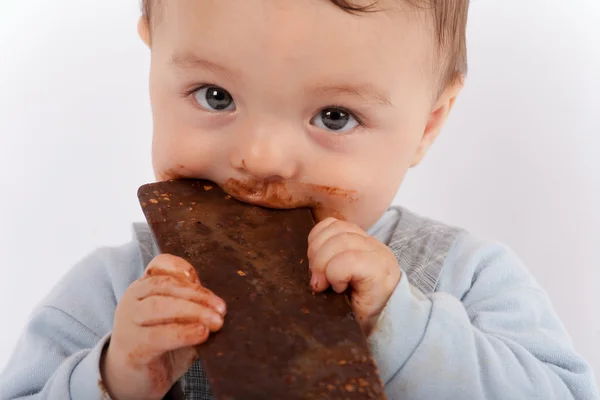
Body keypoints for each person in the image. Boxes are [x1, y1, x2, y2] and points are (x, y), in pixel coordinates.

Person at [1, 1, 597, 399]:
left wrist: (404, 326)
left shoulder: (462, 280)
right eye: (214, 95)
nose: (260, 158)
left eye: (334, 116)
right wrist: (115, 378)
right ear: (152, 58)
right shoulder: (117, 292)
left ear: (428, 125)